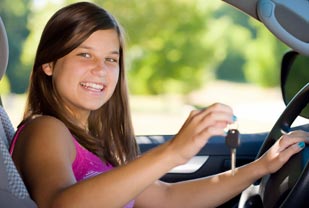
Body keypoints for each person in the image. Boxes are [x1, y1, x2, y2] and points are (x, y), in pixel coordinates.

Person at [9, 2, 309, 208]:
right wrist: (173, 151)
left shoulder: (91, 144)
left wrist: (261, 167)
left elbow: (167, 198)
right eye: (84, 54)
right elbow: (59, 204)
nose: (100, 69)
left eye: (111, 59)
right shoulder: (45, 129)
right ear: (49, 64)